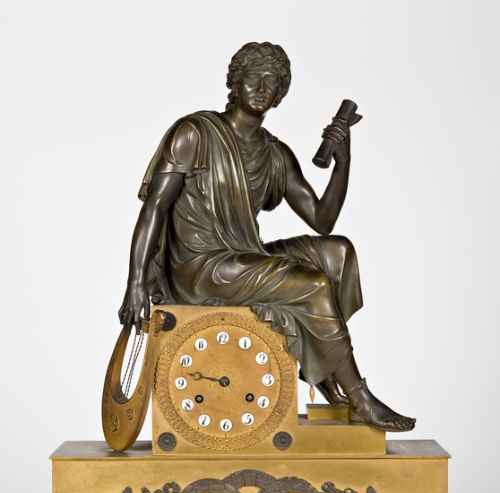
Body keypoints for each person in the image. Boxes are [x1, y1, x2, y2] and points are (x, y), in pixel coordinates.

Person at [119, 42, 415, 432]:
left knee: (337, 253)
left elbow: (322, 220)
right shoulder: (195, 134)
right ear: (234, 82)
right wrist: (136, 283)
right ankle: (358, 395)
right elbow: (155, 208)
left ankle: (326, 369)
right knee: (312, 284)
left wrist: (342, 163)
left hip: (242, 258)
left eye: (272, 82)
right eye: (253, 78)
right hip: (201, 269)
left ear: (280, 94)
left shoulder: (275, 154)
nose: (262, 88)